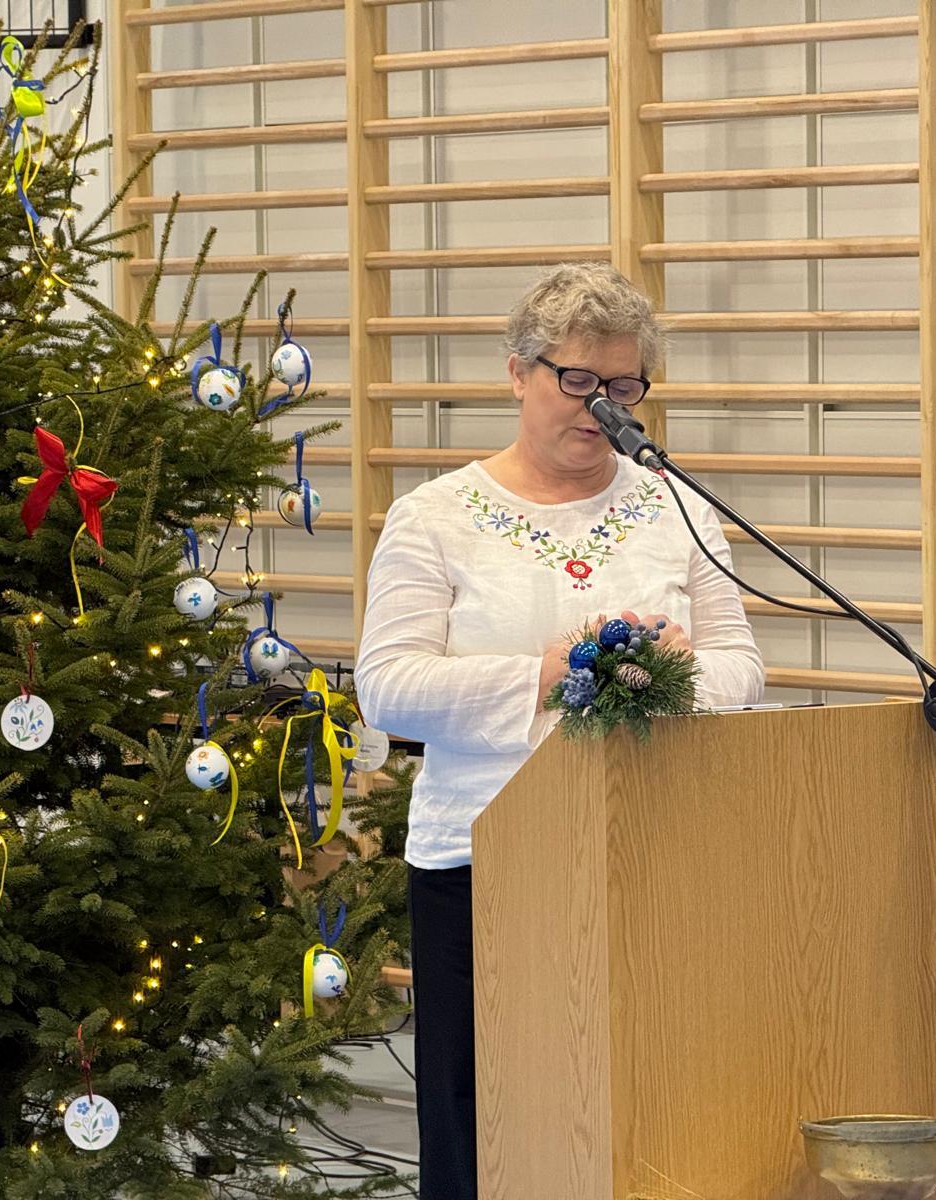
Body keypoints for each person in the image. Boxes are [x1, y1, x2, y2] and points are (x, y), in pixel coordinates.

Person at [354, 261, 765, 1200]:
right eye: (575, 381)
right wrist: (549, 674)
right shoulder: (437, 519)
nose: (600, 407)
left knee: (647, 1108)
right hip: (484, 860)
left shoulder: (679, 508)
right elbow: (388, 687)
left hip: (655, 852)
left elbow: (742, 665)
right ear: (517, 373)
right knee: (484, 1123)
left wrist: (670, 672)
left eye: (623, 387)